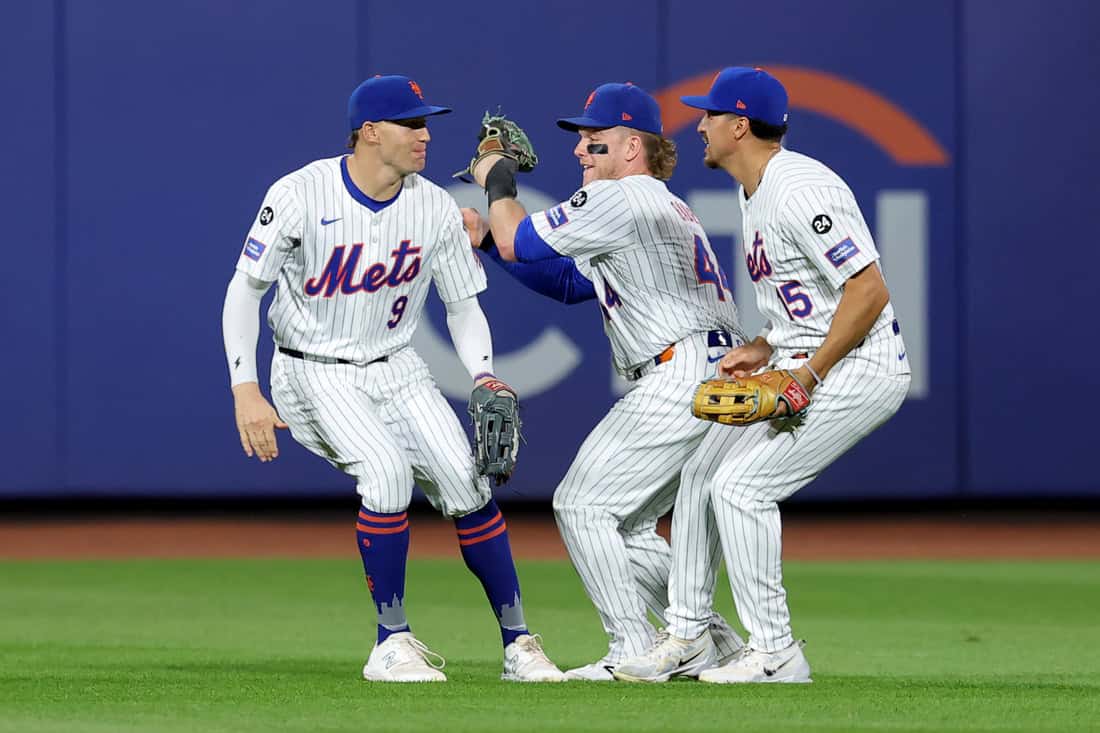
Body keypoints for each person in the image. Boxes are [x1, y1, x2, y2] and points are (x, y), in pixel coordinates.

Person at [220, 74, 564, 683]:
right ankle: (391, 642)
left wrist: (484, 376)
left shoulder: (432, 205)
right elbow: (245, 290)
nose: (426, 135)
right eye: (412, 124)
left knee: (467, 483)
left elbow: (462, 306)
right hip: (314, 371)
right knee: (385, 473)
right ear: (370, 132)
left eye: (426, 123)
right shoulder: (302, 192)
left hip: (400, 367)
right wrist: (246, 387)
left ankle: (518, 643)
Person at [614, 67, 911, 684]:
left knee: (742, 488)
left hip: (859, 367)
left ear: (739, 125)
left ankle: (776, 651)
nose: (699, 125)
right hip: (801, 357)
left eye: (710, 116)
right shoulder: (754, 191)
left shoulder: (799, 188)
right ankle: (689, 637)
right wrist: (763, 344)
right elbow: (809, 297)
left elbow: (869, 290)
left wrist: (807, 374)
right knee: (699, 474)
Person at [462, 82, 747, 681]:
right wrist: (487, 242)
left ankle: (633, 648)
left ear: (633, 148)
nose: (580, 153)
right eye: (582, 143)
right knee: (629, 523)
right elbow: (569, 283)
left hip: (680, 374)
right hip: (708, 372)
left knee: (581, 504)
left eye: (595, 143)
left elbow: (520, 236)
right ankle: (710, 642)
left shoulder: (625, 198)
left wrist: (497, 177)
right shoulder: (655, 206)